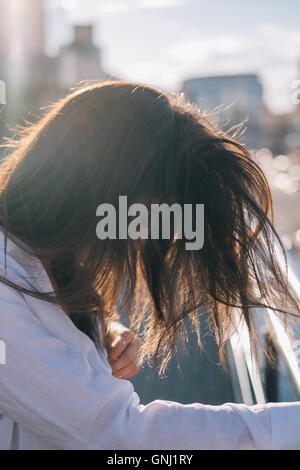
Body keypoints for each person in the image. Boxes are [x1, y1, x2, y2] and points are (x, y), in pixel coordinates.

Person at [0, 80, 299, 450]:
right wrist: (288, 426)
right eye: (151, 215)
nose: (151, 237)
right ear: (94, 190)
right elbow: (117, 436)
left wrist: (99, 333)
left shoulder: (55, 261)